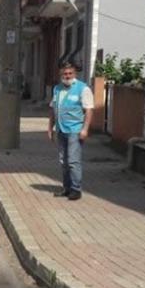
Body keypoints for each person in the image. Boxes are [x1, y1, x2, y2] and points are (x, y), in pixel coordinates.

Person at [47, 63, 94, 200]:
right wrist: (50, 128)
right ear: (61, 75)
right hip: (61, 129)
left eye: (70, 74)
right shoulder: (57, 89)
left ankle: (76, 189)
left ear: (75, 75)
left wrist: (85, 129)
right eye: (64, 74)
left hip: (75, 130)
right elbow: (53, 109)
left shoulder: (83, 89)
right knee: (63, 161)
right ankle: (66, 188)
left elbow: (89, 110)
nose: (67, 76)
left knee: (73, 161)